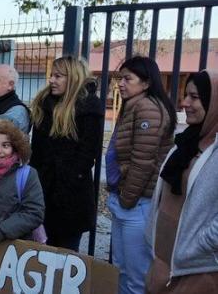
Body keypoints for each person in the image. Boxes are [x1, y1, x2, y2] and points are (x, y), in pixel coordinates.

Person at [105, 56, 176, 294]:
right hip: (128, 201)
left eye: (128, 79)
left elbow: (143, 162)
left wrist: (126, 199)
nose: (121, 84)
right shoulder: (134, 106)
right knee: (122, 269)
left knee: (136, 276)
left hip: (137, 203)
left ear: (146, 83)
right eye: (120, 79)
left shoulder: (147, 108)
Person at [146, 70, 218, 293]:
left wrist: (196, 248)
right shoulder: (186, 142)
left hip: (195, 272)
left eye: (194, 97)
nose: (184, 102)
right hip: (162, 263)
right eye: (186, 95)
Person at [29, 56, 104, 251]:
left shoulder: (89, 106)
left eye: (58, 76)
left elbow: (88, 153)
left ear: (73, 78)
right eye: (51, 75)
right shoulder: (43, 104)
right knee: (38, 253)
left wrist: (69, 180)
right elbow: (36, 152)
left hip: (71, 196)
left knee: (66, 256)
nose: (51, 80)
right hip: (42, 191)